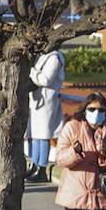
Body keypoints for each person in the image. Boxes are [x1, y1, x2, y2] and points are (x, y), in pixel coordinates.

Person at [26, 48, 65, 184]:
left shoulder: (54, 58)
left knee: (44, 135)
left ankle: (42, 167)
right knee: (36, 136)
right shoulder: (43, 55)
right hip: (37, 99)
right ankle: (34, 164)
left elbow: (46, 79)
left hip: (48, 100)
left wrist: (32, 72)